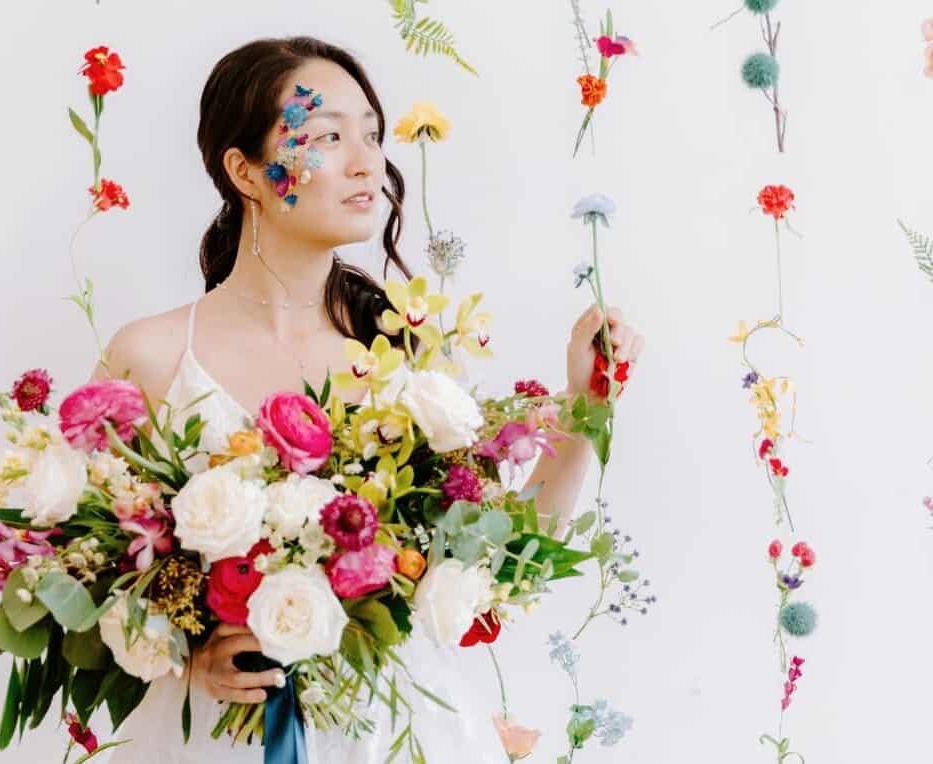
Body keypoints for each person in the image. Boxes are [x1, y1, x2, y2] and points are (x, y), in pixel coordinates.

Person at [89, 35, 645, 764]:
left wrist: (581, 402)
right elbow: (83, 580)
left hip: (400, 731)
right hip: (217, 738)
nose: (365, 162)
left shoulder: (405, 353)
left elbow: (500, 558)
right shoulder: (151, 355)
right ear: (244, 170)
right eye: (325, 136)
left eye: (372, 136)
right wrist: (187, 654)